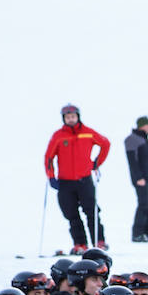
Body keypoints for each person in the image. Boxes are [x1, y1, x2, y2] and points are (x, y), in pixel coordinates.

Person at [44, 103, 110, 253]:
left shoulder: (88, 132)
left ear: (78, 117)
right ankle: (80, 244)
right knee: (71, 214)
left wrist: (96, 163)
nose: (71, 119)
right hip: (65, 182)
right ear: (64, 119)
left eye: (73, 116)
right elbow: (49, 157)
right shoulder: (59, 136)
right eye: (68, 117)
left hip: (84, 180)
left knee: (91, 212)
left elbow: (105, 144)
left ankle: (99, 242)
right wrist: (51, 177)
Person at [124, 116, 148, 242]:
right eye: (147, 125)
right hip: (141, 179)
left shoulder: (145, 140)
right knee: (143, 204)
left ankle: (147, 232)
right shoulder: (131, 140)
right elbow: (132, 161)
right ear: (141, 126)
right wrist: (138, 177)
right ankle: (137, 233)